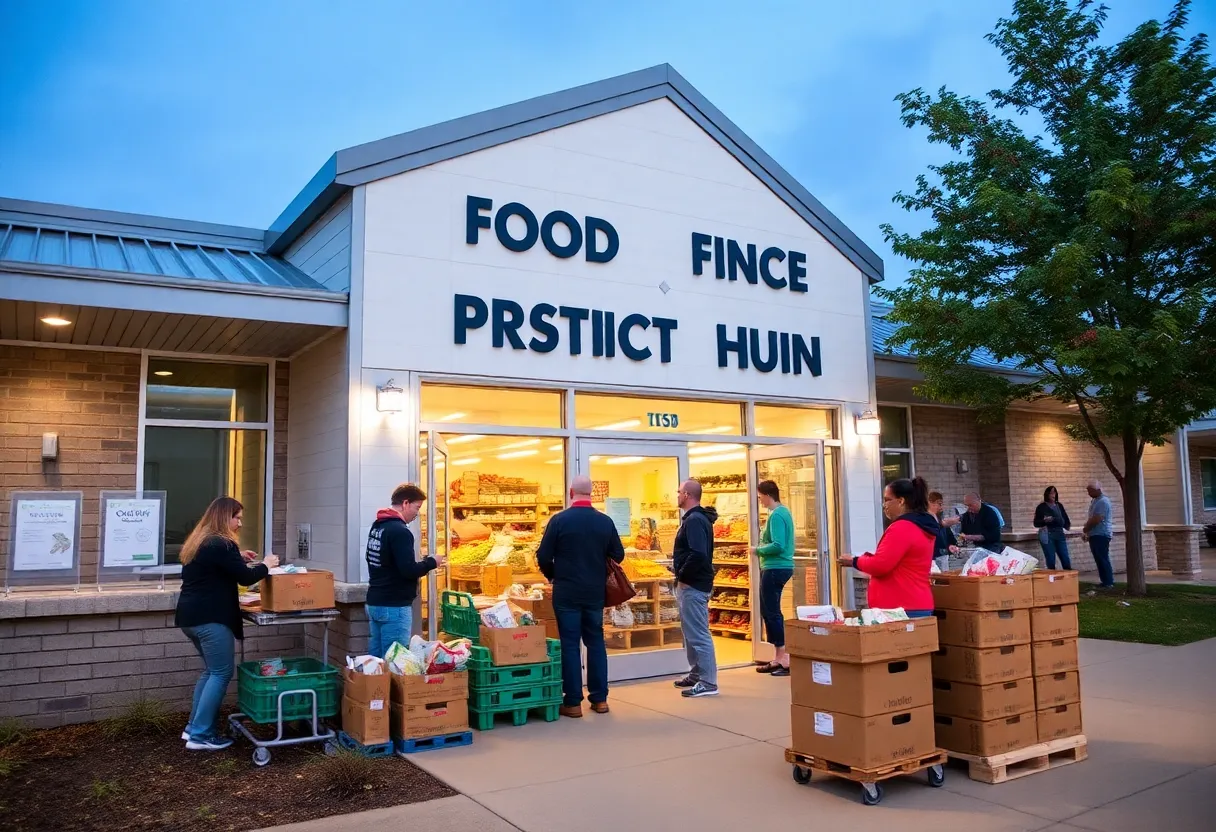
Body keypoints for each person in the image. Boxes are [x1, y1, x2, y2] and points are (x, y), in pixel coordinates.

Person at [174, 496, 279, 751]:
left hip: (190, 617)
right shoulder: (221, 543)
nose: (240, 523)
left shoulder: (201, 541)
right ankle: (201, 735)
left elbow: (215, 568)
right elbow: (246, 578)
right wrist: (266, 564)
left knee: (211, 671)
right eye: (237, 517)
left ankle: (193, 728)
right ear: (224, 517)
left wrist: (238, 556)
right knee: (221, 673)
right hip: (211, 618)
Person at [536, 475, 625, 718]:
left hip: (567, 592)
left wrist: (553, 575)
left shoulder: (559, 521)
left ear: (571, 492)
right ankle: (600, 699)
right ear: (592, 494)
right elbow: (618, 553)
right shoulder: (605, 521)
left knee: (570, 644)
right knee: (596, 641)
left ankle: (573, 702)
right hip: (595, 591)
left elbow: (543, 555)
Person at [839, 477, 937, 616]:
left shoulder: (902, 527)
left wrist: (854, 561)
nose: (884, 505)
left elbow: (880, 565)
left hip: (900, 608)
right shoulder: (921, 526)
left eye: (887, 500)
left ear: (901, 501)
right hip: (914, 603)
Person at [365, 483, 443, 658]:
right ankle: (390, 686)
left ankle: (374, 685)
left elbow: (371, 558)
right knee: (395, 659)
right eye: (417, 507)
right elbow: (408, 570)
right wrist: (431, 562)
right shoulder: (400, 531)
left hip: (375, 601)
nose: (417, 514)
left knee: (376, 659)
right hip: (394, 606)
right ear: (406, 503)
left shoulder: (378, 526)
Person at [672, 479, 719, 698]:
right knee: (690, 632)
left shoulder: (695, 521)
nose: (677, 494)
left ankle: (708, 681)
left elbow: (698, 554)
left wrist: (683, 575)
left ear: (688, 495)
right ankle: (696, 672)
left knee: (699, 634)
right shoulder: (696, 519)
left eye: (679, 491)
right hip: (693, 583)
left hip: (693, 584)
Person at [753, 480, 794, 677]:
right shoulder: (781, 513)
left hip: (775, 567)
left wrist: (757, 550)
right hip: (777, 567)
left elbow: (778, 544)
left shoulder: (777, 515)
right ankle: (778, 657)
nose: (759, 500)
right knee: (770, 611)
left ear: (768, 495)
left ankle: (784, 658)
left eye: (760, 496)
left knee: (772, 612)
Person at [1082, 480, 1115, 588]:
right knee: (1098, 558)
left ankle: (1108, 582)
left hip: (1101, 534)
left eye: (1090, 491)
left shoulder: (1103, 502)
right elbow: (1092, 517)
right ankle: (1104, 581)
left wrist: (1086, 529)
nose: (1088, 493)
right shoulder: (1095, 501)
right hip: (1095, 534)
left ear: (1097, 490)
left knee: (1102, 557)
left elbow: (1097, 519)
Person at [1033, 486, 1073, 570]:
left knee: (1064, 556)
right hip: (1048, 534)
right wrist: (1044, 521)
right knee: (1050, 558)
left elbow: (1065, 519)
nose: (1053, 495)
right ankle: (1052, 577)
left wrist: (1067, 526)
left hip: (1059, 533)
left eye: (1054, 492)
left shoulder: (1059, 505)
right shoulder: (1041, 507)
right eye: (1051, 493)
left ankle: (1069, 576)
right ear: (1047, 494)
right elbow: (1036, 523)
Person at [928, 491, 960, 571]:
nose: (941, 507)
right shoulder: (926, 520)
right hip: (931, 560)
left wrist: (949, 547)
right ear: (930, 503)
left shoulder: (939, 518)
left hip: (942, 558)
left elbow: (945, 538)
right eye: (939, 504)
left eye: (941, 504)